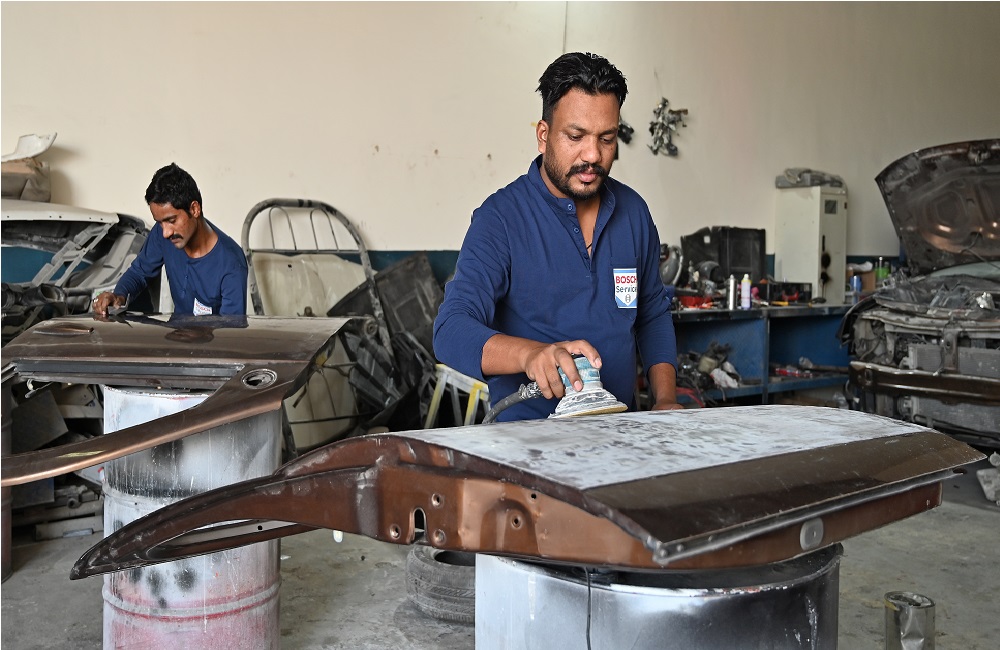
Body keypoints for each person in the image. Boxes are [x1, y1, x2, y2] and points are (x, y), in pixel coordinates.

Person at [433, 52, 681, 421]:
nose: (592, 154)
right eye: (576, 136)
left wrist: (665, 400)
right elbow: (450, 330)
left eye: (607, 138)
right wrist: (530, 355)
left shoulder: (633, 213)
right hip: (527, 441)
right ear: (543, 135)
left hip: (619, 433)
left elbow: (652, 315)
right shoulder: (500, 219)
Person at [93, 163, 248, 316]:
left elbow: (229, 330)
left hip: (213, 334)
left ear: (194, 209)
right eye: (160, 222)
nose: (166, 233)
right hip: (176, 330)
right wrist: (118, 296)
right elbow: (139, 272)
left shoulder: (231, 263)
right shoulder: (162, 232)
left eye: (171, 220)